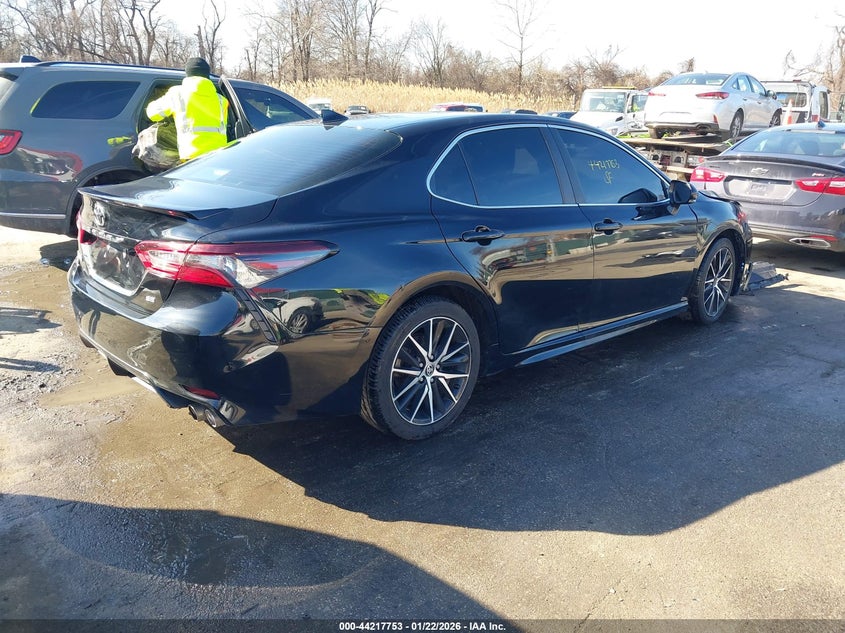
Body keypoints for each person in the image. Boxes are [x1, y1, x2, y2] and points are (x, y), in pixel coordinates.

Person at [146, 57, 229, 161]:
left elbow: (152, 114)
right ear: (207, 75)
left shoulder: (177, 94)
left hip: (192, 158)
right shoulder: (222, 100)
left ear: (188, 74)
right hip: (218, 156)